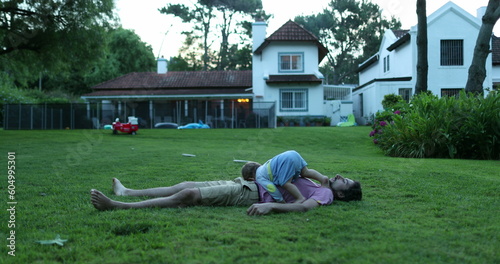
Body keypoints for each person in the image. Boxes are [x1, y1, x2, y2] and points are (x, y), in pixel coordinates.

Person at [90, 152, 362, 215]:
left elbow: (304, 208)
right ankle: (129, 191)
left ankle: (118, 205)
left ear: (344, 196)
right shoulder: (321, 181)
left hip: (253, 193)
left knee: (189, 194)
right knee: (186, 183)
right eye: (342, 176)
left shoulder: (325, 195)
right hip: (252, 181)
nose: (340, 177)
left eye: (345, 181)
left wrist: (272, 208)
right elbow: (296, 172)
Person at [244, 150, 330, 204]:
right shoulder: (264, 167)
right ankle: (323, 178)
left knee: (285, 183)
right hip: (293, 153)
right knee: (305, 172)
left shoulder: (259, 176)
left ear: (251, 179)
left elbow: (271, 188)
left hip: (286, 161)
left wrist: (280, 200)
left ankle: (300, 198)